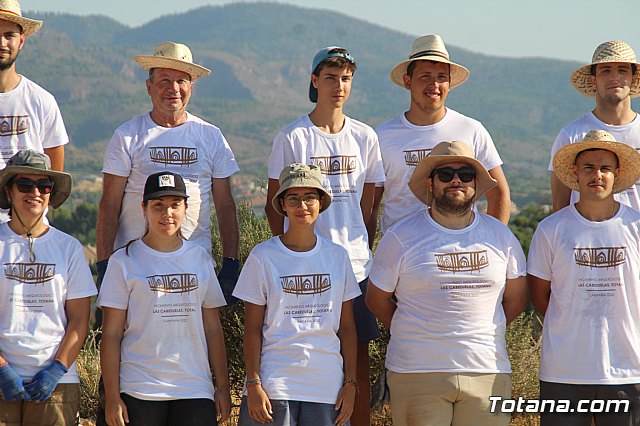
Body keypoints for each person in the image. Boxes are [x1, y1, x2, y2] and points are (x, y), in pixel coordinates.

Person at [264, 46, 385, 425]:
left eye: (346, 78)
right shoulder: (293, 137)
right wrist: (294, 248)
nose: (339, 85)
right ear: (315, 82)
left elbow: (370, 206)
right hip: (302, 260)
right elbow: (273, 204)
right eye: (331, 77)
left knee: (357, 357)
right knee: (303, 344)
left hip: (354, 265)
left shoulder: (364, 137)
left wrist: (357, 247)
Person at [366, 141, 527, 426]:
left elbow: (515, 300)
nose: (456, 180)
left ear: (476, 184)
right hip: (417, 371)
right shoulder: (401, 236)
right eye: (445, 174)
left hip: (487, 369)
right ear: (431, 183)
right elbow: (376, 298)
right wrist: (413, 328)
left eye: (465, 174)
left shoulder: (501, 237)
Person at [96, 41, 240, 310]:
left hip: (195, 266)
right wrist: (105, 265)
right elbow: (110, 204)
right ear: (149, 86)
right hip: (135, 268)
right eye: (164, 80)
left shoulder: (211, 136)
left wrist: (231, 264)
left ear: (191, 87)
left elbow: (225, 204)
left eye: (181, 81)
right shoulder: (128, 135)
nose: (173, 89)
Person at [98, 171, 231, 426]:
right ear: (144, 208)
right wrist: (113, 397)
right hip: (138, 388)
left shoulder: (200, 258)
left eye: (174, 205)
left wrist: (222, 387)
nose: (167, 214)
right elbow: (111, 334)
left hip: (194, 389)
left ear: (185, 208)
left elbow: (213, 329)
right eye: (158, 205)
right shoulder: (123, 261)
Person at [234, 163, 359, 426]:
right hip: (274, 388)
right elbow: (253, 328)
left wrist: (351, 384)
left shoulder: (338, 257)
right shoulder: (263, 256)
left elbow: (347, 328)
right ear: (283, 204)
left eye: (310, 197)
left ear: (321, 202)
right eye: (294, 198)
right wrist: (253, 383)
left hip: (327, 389)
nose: (302, 205)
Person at [529, 130, 640, 425]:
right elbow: (541, 296)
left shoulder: (636, 227)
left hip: (627, 370)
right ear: (575, 173)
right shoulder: (551, 229)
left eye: (605, 168)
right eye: (589, 167)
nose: (597, 175)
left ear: (617, 174)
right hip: (564, 371)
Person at [371, 34, 509, 240]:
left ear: (450, 83)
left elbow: (499, 193)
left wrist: (492, 242)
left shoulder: (471, 129)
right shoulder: (381, 136)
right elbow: (371, 206)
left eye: (441, 77)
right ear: (408, 81)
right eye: (425, 76)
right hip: (401, 253)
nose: (434, 84)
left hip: (458, 249)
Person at [0, 150, 95, 425]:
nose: (36, 193)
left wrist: (57, 369)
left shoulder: (69, 248)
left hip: (57, 387)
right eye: (25, 185)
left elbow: (79, 319)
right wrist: (2, 368)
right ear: (8, 191)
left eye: (44, 185)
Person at [550, 40, 640, 212]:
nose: (615, 77)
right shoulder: (571, 136)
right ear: (593, 80)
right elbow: (559, 208)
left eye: (622, 70)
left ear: (633, 78)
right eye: (606, 71)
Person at [0, 0, 69, 222]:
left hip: (28, 227)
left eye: (9, 35)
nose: (1, 42)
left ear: (21, 41)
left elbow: (54, 171)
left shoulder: (42, 101)